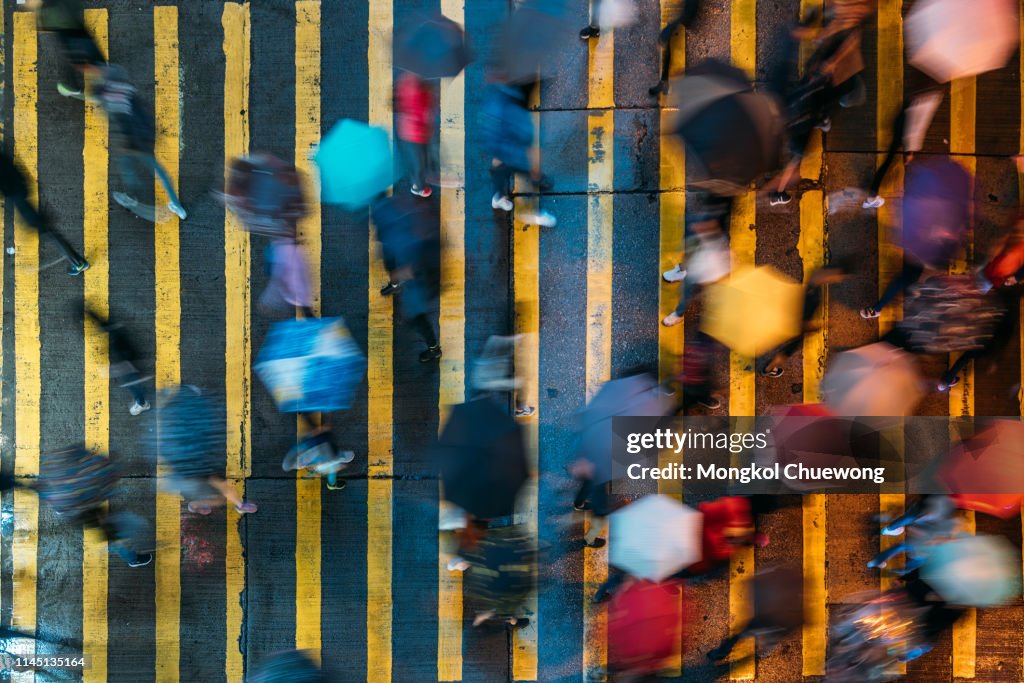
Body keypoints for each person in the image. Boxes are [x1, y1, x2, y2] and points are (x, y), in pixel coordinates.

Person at [90, 65, 187, 222]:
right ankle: (177, 205)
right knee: (159, 171)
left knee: (127, 166)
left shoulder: (109, 96)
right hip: (146, 134)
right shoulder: (128, 90)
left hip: (132, 139)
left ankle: (131, 196)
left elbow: (102, 100)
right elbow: (142, 111)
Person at [479, 79, 556, 227]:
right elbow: (526, 138)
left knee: (501, 164)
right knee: (530, 172)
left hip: (499, 141)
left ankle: (498, 196)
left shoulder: (498, 92)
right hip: (510, 146)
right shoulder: (514, 108)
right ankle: (532, 212)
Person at [0, 150, 89, 276]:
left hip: (19, 198)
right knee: (48, 230)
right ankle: (77, 262)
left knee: (48, 232)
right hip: (21, 191)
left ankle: (78, 262)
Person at [760, 264, 850, 377]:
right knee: (786, 352)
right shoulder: (813, 295)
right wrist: (822, 325)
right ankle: (769, 369)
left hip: (788, 318)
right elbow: (803, 325)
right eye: (838, 276)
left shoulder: (814, 283)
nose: (838, 280)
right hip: (796, 329)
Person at [862, 91, 943, 209]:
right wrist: (910, 151)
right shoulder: (931, 97)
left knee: (889, 161)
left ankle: (872, 196)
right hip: (905, 131)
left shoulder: (923, 92)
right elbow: (917, 126)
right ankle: (872, 197)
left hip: (902, 124)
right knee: (896, 163)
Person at [661, 214, 730, 327]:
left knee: (687, 290)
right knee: (690, 252)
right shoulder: (711, 216)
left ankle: (679, 314)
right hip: (706, 247)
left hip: (705, 269)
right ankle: (682, 270)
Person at [31, 0, 106, 98]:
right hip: (69, 20)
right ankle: (104, 74)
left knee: (78, 59)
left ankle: (104, 79)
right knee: (86, 47)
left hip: (63, 23)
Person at [84, 306, 151, 415]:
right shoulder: (115, 332)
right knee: (131, 380)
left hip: (127, 361)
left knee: (131, 382)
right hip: (126, 357)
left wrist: (112, 371)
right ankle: (142, 403)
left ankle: (142, 403)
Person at [868, 494, 956, 574]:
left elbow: (922, 515)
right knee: (912, 553)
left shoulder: (942, 506)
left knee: (903, 546)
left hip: (922, 530)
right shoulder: (945, 521)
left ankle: (879, 559)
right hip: (923, 539)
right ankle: (898, 568)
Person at [471, 334, 535, 418]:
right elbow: (499, 383)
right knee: (521, 383)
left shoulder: (493, 346)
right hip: (493, 378)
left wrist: (515, 339)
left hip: (490, 374)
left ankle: (520, 406)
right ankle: (522, 407)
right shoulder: (494, 346)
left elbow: (494, 340)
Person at [648, 0, 701, 96]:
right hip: (687, 12)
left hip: (690, 13)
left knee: (670, 39)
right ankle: (664, 82)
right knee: (670, 44)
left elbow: (688, 14)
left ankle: (667, 83)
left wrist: (666, 32)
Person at [396, 71, 436, 198]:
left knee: (418, 159)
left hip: (406, 130)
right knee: (420, 162)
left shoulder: (405, 79)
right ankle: (418, 187)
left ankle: (417, 180)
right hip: (417, 134)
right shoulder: (422, 92)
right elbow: (423, 115)